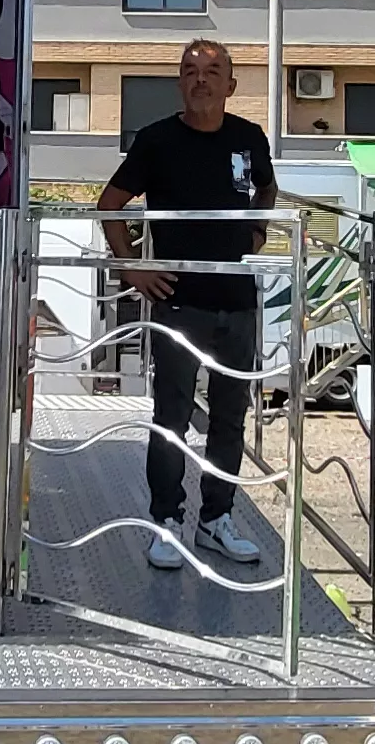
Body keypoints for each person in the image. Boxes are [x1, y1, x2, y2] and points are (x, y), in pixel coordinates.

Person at [98, 39, 276, 571]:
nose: (201, 79)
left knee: (230, 419)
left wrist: (259, 229)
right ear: (179, 82)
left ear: (230, 85)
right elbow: (110, 205)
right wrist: (132, 266)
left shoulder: (249, 137)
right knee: (171, 416)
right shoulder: (156, 140)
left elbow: (267, 188)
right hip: (179, 302)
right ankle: (166, 523)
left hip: (237, 302)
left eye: (213, 71)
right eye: (191, 71)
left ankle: (215, 520)